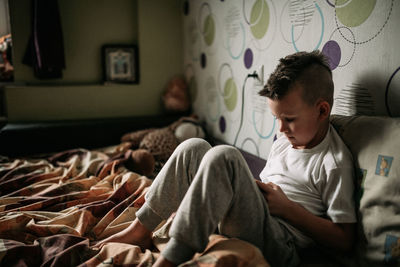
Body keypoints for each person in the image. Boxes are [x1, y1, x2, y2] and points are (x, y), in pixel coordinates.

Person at [95, 51, 357, 267]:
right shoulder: (287, 142)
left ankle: (172, 257)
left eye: (289, 119)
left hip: (282, 244)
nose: (280, 130)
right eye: (277, 119)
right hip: (254, 221)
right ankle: (141, 229)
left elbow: (344, 240)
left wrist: (289, 209)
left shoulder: (333, 161)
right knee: (194, 146)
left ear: (322, 110)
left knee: (225, 156)